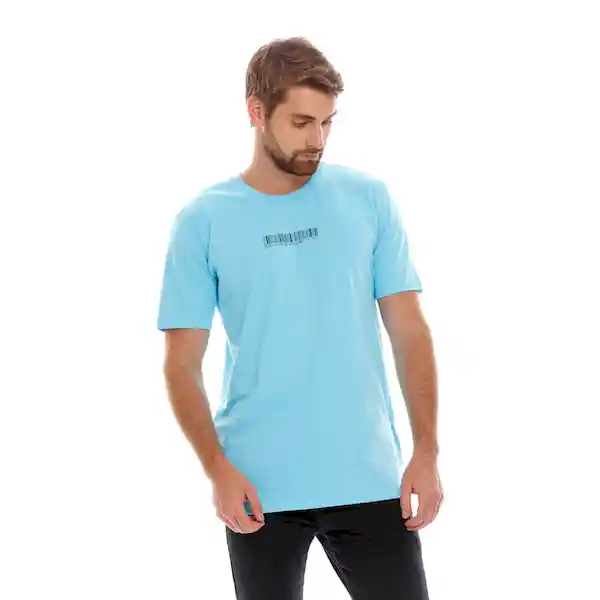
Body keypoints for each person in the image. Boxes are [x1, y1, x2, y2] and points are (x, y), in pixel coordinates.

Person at [157, 36, 443, 600]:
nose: (317, 139)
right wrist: (217, 469)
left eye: (327, 123)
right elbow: (181, 364)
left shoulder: (368, 199)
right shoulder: (204, 220)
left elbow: (409, 332)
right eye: (302, 122)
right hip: (257, 487)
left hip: (366, 475)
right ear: (256, 112)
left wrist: (427, 451)